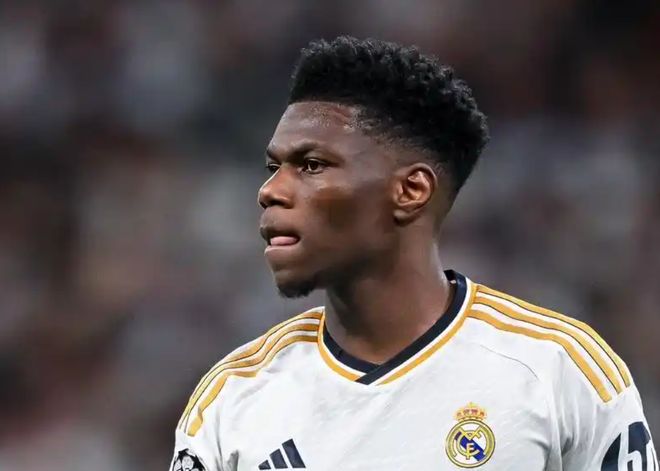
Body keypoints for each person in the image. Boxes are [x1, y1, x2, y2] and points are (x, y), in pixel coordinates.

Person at [170, 36, 657, 471]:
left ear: (411, 191)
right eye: (272, 167)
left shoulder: (559, 372)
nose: (270, 191)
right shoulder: (233, 400)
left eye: (312, 165)